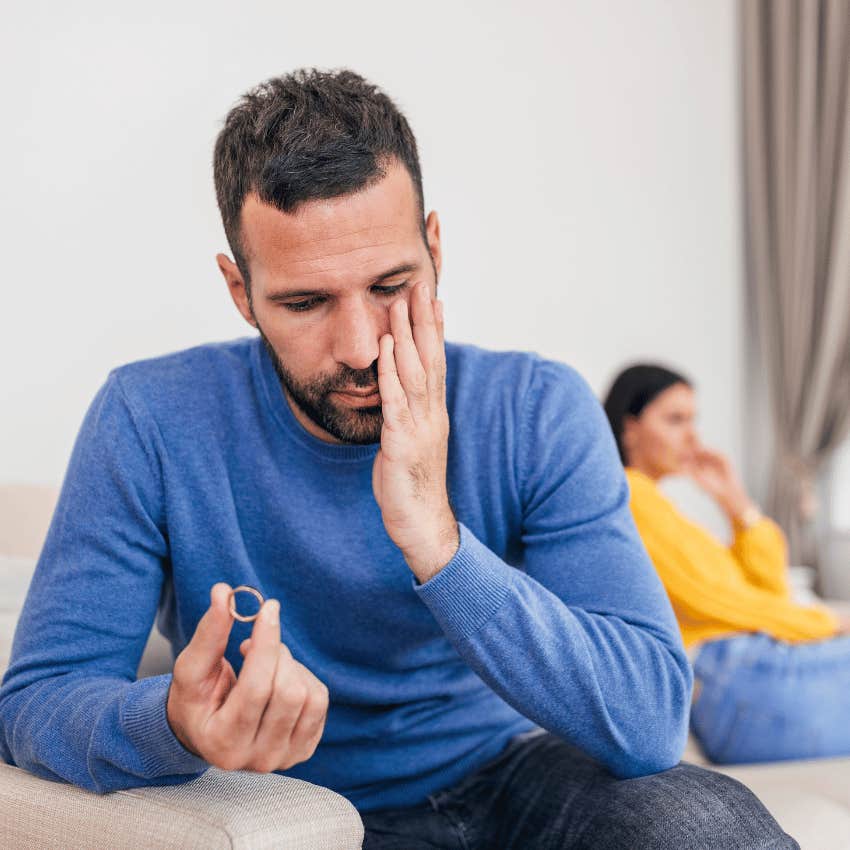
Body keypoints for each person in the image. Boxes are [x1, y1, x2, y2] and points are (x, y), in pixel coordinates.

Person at [0, 70, 797, 849]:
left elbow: (651, 720)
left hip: (508, 774)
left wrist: (436, 536)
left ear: (436, 249)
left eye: (391, 285)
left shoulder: (535, 407)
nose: (358, 350)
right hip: (295, 807)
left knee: (704, 824)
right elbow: (35, 701)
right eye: (304, 302)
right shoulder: (149, 418)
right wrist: (171, 722)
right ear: (241, 292)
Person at [603, 362, 850, 768]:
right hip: (728, 676)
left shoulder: (664, 510)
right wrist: (826, 622)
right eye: (675, 419)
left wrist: (737, 505)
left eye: (693, 420)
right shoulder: (627, 496)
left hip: (745, 669)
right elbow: (717, 602)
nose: (693, 436)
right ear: (630, 427)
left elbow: (768, 591)